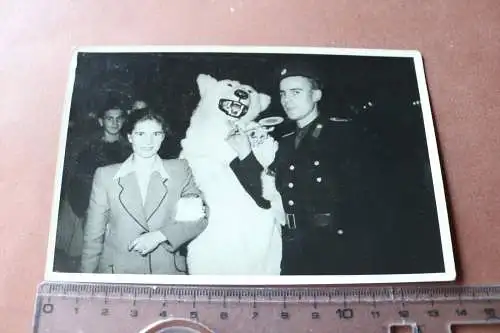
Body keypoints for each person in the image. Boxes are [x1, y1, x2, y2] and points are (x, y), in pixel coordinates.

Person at [228, 62, 382, 275]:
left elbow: (366, 199)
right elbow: (267, 197)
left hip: (336, 249)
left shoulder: (343, 134)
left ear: (316, 95)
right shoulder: (285, 142)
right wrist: (245, 154)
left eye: (295, 92)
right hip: (294, 248)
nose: (286, 100)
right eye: (283, 94)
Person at [80, 108, 208, 274]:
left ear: (163, 136)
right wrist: (85, 277)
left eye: (156, 134)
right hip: (119, 271)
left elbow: (200, 217)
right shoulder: (105, 175)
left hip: (167, 271)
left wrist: (161, 235)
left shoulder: (180, 170)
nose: (149, 141)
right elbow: (93, 236)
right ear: (130, 137)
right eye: (141, 134)